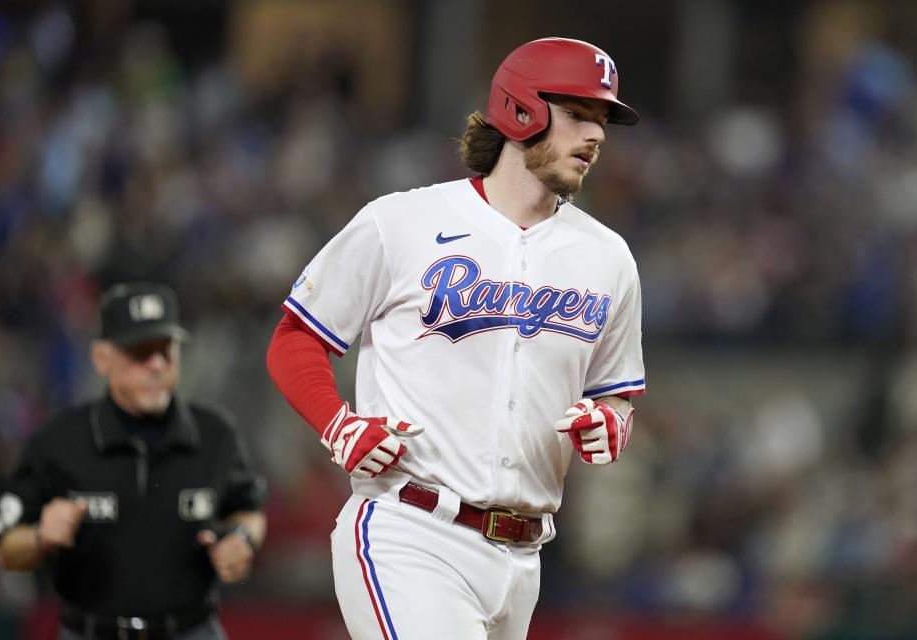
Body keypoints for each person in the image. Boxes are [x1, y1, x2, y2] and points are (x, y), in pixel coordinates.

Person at [267, 37, 644, 639]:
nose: (596, 135)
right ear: (523, 110)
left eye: (602, 120)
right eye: (578, 115)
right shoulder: (402, 222)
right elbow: (294, 337)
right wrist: (336, 423)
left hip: (524, 558)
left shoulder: (608, 258)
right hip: (410, 528)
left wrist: (610, 421)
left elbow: (617, 393)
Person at [0, 282, 267, 640]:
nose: (155, 365)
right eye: (139, 351)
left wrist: (241, 538)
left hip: (191, 630)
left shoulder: (214, 434)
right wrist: (40, 537)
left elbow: (249, 510)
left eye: (165, 350)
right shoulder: (58, 441)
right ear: (102, 358)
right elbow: (6, 549)